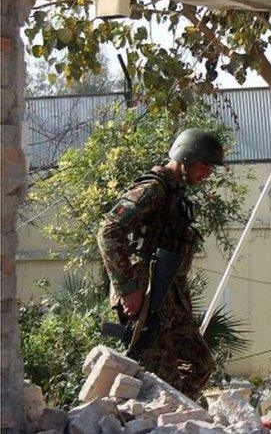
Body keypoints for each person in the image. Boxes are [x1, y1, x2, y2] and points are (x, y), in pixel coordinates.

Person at [97, 128, 224, 399]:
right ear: (186, 158)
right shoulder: (153, 189)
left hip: (171, 299)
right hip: (145, 299)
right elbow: (109, 231)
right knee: (161, 380)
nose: (207, 173)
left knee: (201, 364)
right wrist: (127, 287)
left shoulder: (176, 194)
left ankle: (174, 413)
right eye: (204, 165)